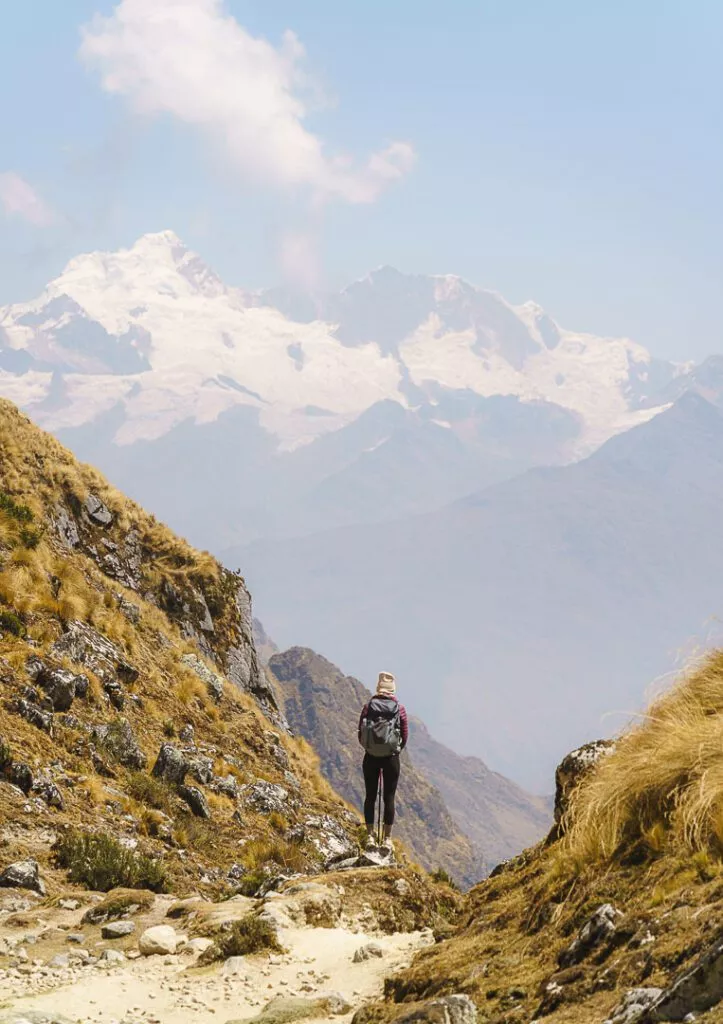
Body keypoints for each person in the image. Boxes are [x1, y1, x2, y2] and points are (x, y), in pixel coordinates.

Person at [358, 671, 408, 852]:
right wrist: (395, 750)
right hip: (390, 759)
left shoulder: (368, 707)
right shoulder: (399, 709)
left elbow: (360, 733)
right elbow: (404, 735)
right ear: (393, 690)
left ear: (378, 688)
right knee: (389, 797)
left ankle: (370, 836)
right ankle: (387, 839)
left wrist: (371, 748)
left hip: (371, 757)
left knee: (370, 797)